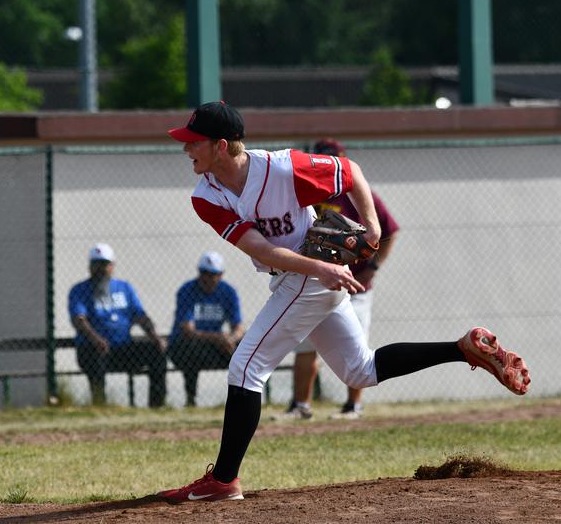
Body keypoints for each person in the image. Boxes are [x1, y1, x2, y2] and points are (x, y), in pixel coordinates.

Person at [158, 101, 530, 502]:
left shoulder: (282, 169)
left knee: (246, 368)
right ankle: (463, 349)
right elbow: (260, 249)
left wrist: (371, 225)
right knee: (360, 371)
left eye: (194, 142)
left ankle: (224, 480)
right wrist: (320, 269)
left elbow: (350, 173)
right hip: (308, 273)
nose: (186, 149)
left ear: (222, 145)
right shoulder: (206, 194)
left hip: (309, 277)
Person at [278, 138, 400, 421]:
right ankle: (301, 405)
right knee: (306, 343)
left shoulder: (357, 194)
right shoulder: (306, 193)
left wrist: (374, 268)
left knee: (355, 348)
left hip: (355, 284)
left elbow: (389, 230)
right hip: (315, 282)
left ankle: (352, 407)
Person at [68, 243, 167, 408]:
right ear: (89, 267)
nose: (100, 269)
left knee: (156, 352)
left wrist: (155, 336)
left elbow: (140, 315)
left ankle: (157, 406)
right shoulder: (80, 290)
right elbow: (79, 320)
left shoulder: (124, 288)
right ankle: (100, 405)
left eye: (104, 264)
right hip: (93, 349)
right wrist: (96, 339)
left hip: (122, 348)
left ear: (112, 266)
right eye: (96, 264)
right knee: (95, 356)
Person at [167, 251, 245, 407]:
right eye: (205, 273)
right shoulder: (187, 290)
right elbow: (188, 330)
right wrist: (219, 338)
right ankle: (191, 399)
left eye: (213, 274)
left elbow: (239, 327)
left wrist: (231, 339)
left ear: (221, 274)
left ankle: (242, 400)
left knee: (247, 347)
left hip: (217, 345)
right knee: (190, 350)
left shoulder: (228, 292)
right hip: (188, 346)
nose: (208, 278)